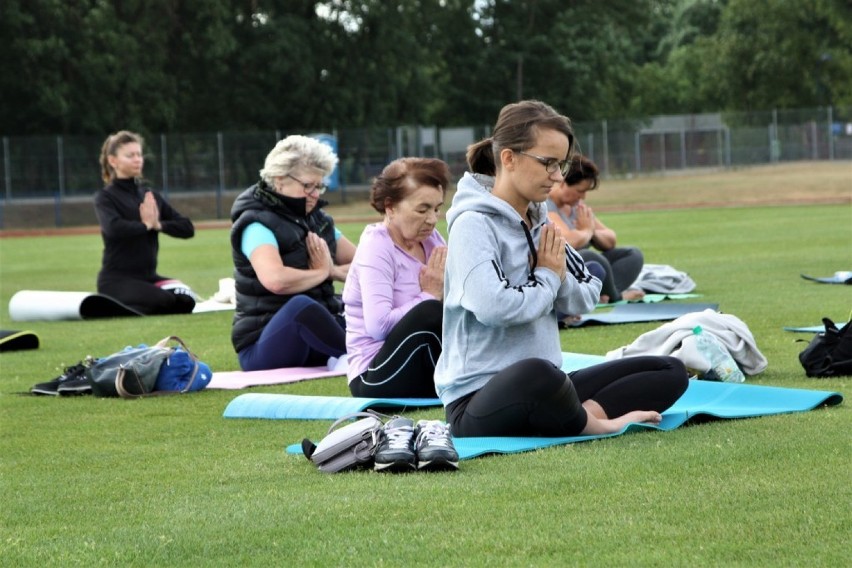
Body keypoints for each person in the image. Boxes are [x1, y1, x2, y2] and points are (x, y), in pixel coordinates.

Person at [434, 100, 689, 438]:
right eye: (548, 163)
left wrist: (555, 276)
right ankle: (593, 426)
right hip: (478, 399)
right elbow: (493, 307)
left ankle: (583, 414)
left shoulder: (540, 220)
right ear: (508, 158)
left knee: (670, 369)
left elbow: (587, 295)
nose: (557, 176)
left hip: (549, 386)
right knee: (539, 374)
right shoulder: (473, 224)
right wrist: (546, 277)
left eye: (561, 164)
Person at [230, 135, 356, 371]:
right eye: (308, 186)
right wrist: (323, 272)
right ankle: (359, 359)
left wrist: (335, 272)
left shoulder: (318, 220)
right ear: (279, 181)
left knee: (354, 305)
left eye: (319, 185)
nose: (316, 193)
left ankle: (359, 354)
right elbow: (275, 280)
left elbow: (365, 266)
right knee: (301, 307)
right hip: (262, 346)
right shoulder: (255, 224)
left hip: (309, 342)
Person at [342, 157, 450, 398]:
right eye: (422, 209)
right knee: (430, 310)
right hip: (375, 375)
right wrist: (429, 295)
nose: (432, 219)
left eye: (437, 209)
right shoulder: (377, 246)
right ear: (390, 207)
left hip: (421, 363)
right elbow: (378, 326)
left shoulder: (432, 241)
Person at [95, 130, 197, 315]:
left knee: (186, 298)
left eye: (139, 154)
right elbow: (114, 229)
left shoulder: (148, 195)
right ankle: (111, 307)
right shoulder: (106, 197)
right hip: (116, 281)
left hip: (148, 279)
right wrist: (145, 226)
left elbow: (187, 228)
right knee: (163, 300)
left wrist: (159, 225)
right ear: (113, 161)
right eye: (130, 155)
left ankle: (140, 304)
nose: (137, 159)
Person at [547, 154, 645, 304]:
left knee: (633, 254)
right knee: (589, 256)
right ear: (563, 183)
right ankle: (615, 296)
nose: (583, 197)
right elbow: (567, 242)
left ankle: (604, 294)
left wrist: (591, 231)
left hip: (588, 268)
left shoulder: (576, 207)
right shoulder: (547, 205)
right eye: (580, 191)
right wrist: (586, 231)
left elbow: (610, 240)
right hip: (564, 268)